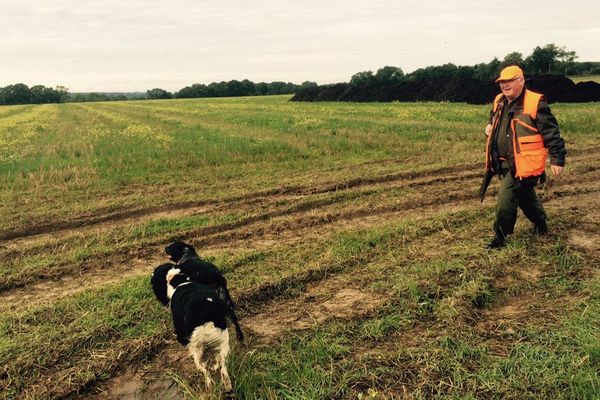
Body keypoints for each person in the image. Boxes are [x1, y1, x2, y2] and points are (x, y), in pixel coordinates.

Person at [483, 65, 566, 249]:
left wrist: (557, 159)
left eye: (509, 81)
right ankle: (541, 223)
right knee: (525, 196)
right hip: (504, 163)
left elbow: (551, 133)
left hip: (523, 163)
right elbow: (492, 120)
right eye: (502, 82)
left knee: (505, 200)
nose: (504, 86)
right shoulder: (499, 101)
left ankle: (500, 238)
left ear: (521, 80)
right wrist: (488, 128)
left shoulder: (536, 102)